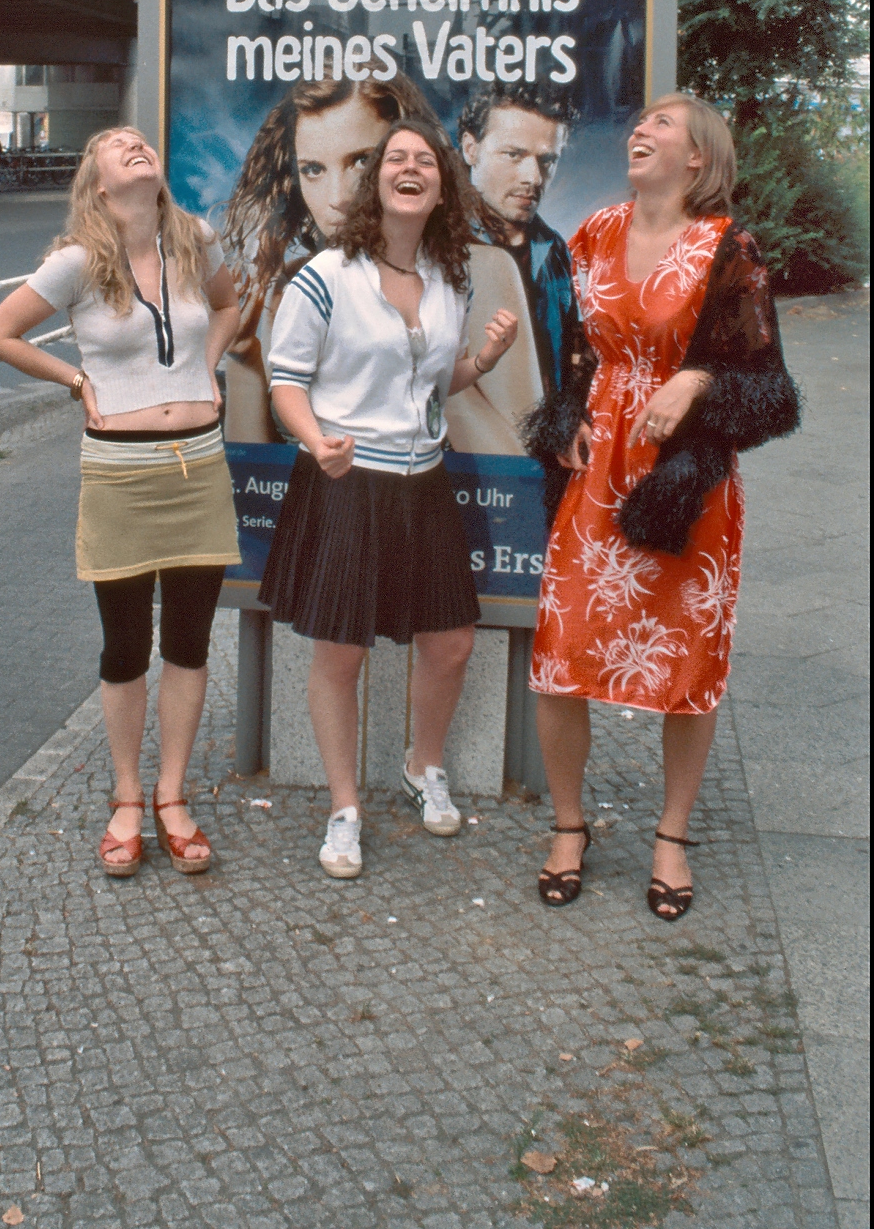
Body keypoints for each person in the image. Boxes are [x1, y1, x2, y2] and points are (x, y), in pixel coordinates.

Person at [524, 95, 799, 918]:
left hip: (686, 481)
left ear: (698, 159)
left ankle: (670, 836)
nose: (641, 130)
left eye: (662, 126)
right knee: (559, 653)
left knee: (688, 663)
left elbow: (771, 388)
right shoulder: (593, 232)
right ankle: (568, 826)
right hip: (597, 468)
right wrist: (565, 418)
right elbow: (567, 348)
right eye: (639, 122)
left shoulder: (729, 249)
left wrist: (698, 377)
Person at [257, 117, 518, 877]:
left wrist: (481, 360)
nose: (410, 168)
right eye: (395, 158)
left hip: (423, 482)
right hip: (346, 481)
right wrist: (314, 440)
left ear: (441, 186)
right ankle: (344, 808)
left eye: (424, 161)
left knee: (452, 642)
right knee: (340, 653)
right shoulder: (323, 275)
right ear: (376, 183)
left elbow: (433, 388)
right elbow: (284, 382)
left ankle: (420, 764)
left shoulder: (448, 279)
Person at [0, 127, 241, 878]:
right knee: (125, 645)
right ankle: (126, 797)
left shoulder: (194, 241)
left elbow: (229, 308)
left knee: (188, 643)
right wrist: (74, 382)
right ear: (98, 184)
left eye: (140, 140)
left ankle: (170, 796)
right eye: (116, 144)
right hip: (119, 474)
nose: (134, 145)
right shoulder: (77, 264)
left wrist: (207, 366)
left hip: (199, 464)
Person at [217, 75, 437, 443]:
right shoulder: (292, 285)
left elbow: (504, 465)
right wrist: (244, 359)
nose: (338, 197)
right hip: (318, 492)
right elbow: (259, 470)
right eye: (313, 169)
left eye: (362, 160)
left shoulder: (462, 273)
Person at [447, 89, 580, 459]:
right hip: (462, 461)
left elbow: (568, 355)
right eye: (514, 155)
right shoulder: (438, 241)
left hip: (543, 456)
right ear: (471, 149)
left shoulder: (554, 248)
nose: (533, 177)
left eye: (546, 161)